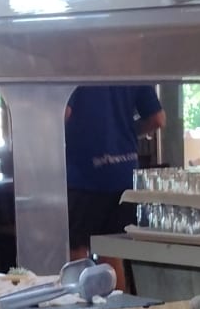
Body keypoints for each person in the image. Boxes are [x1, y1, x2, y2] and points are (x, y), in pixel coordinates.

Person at [64, 84, 162, 253]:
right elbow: (158, 119)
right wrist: (125, 132)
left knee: (76, 250)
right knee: (112, 250)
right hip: (125, 175)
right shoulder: (132, 71)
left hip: (85, 175)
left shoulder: (77, 69)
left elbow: (63, 112)